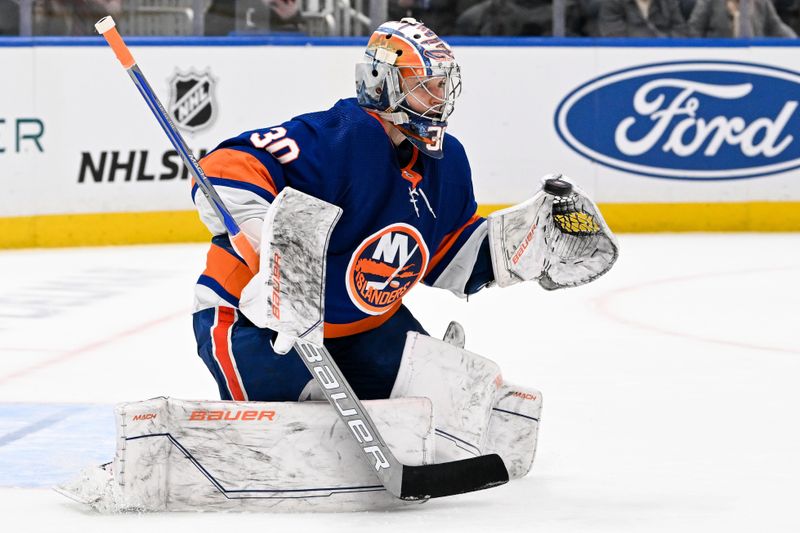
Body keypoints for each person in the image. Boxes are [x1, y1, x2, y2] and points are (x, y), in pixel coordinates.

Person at [190, 18, 616, 403]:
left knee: (452, 399)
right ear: (382, 82)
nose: (438, 96)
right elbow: (225, 167)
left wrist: (524, 245)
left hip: (367, 329)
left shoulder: (446, 161)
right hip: (252, 322)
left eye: (441, 85)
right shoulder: (337, 137)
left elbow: (445, 252)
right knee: (304, 419)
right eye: (424, 84)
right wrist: (266, 245)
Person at [688, 0, 797, 37]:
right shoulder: (710, 2)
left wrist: (796, 44)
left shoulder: (762, 3)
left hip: (756, 59)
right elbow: (693, 30)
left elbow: (778, 30)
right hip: (718, 59)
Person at [599, 0, 689, 36]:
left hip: (666, 55)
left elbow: (680, 31)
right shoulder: (613, 3)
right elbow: (615, 37)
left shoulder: (668, 2)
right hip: (628, 57)